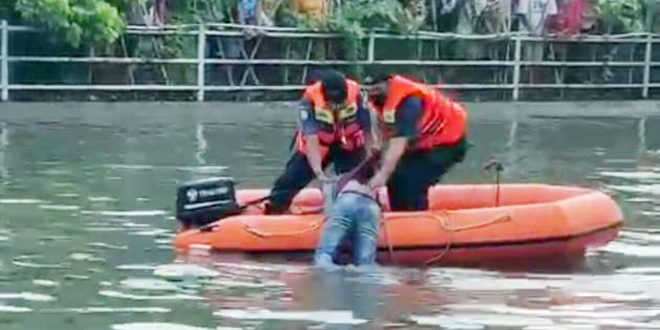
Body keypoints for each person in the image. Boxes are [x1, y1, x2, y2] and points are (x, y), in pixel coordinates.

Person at [264, 69, 372, 214]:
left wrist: (370, 155)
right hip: (319, 144)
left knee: (357, 179)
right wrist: (318, 172)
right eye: (332, 102)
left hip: (349, 144)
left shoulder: (357, 95)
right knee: (289, 179)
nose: (336, 106)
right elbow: (311, 137)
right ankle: (275, 210)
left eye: (340, 102)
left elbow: (367, 128)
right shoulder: (309, 100)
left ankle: (360, 209)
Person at [365, 74, 469, 211]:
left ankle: (418, 218)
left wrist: (382, 175)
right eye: (370, 89)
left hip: (448, 142)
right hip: (423, 141)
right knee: (396, 177)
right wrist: (377, 151)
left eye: (377, 88)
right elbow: (383, 128)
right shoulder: (380, 102)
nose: (373, 92)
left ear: (389, 83)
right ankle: (399, 215)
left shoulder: (409, 103)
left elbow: (398, 144)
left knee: (412, 179)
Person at [314, 154, 382, 268]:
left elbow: (330, 205)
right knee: (366, 262)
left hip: (346, 201)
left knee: (325, 254)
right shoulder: (379, 180)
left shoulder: (345, 178)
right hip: (370, 206)